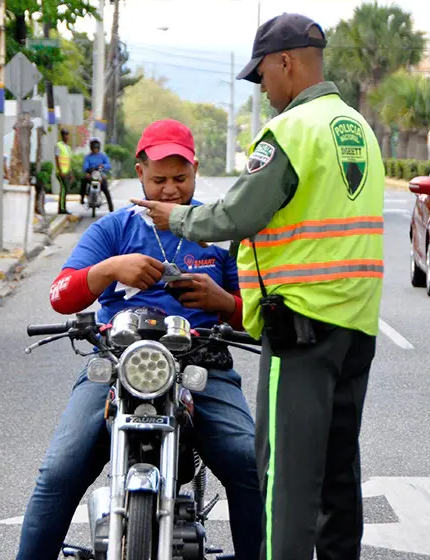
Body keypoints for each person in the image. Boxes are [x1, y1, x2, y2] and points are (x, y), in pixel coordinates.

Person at [131, 14, 385, 560]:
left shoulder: (291, 131)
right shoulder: (357, 128)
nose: (263, 89)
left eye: (263, 75)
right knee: (338, 471)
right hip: (357, 325)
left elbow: (238, 215)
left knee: (286, 479)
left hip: (300, 328)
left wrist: (176, 218)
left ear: (285, 62)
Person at [17, 118, 263, 560]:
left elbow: (257, 317)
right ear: (140, 173)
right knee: (57, 472)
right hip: (118, 365)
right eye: (159, 179)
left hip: (203, 367)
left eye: (180, 179)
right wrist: (109, 269)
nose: (170, 190)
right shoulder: (113, 229)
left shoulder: (220, 232)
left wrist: (223, 301)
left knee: (251, 464)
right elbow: (60, 296)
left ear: (195, 171)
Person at [79, 137, 114, 211]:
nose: (95, 149)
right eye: (94, 148)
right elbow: (85, 166)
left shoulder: (103, 156)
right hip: (91, 174)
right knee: (83, 181)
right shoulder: (87, 157)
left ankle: (111, 207)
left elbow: (108, 165)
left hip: (100, 175)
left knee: (105, 189)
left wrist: (103, 166)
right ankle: (82, 198)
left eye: (96, 148)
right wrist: (87, 172)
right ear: (91, 147)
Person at [55, 128, 73, 214]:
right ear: (62, 136)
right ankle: (61, 209)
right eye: (64, 135)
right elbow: (57, 158)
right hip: (61, 172)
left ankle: (63, 207)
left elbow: (69, 161)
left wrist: (71, 173)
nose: (66, 136)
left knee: (65, 190)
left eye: (67, 135)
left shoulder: (68, 148)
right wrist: (60, 170)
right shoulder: (58, 145)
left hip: (67, 172)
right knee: (63, 189)